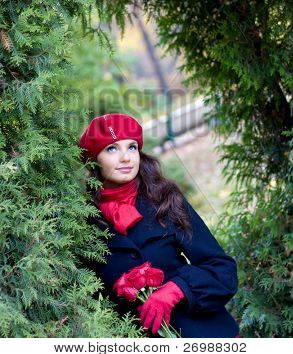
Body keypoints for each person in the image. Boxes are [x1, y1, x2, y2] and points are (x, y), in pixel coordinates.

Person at [78, 113, 240, 338]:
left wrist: (178, 288)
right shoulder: (84, 223)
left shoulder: (164, 199)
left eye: (132, 147)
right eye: (112, 149)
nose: (126, 158)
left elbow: (222, 270)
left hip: (204, 334)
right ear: (95, 159)